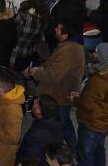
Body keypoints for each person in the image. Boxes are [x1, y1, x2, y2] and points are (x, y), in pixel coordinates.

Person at [27, 21, 84, 149]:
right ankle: (73, 149)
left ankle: (66, 151)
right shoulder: (67, 47)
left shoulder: (69, 50)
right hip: (61, 94)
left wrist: (35, 72)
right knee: (64, 123)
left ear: (65, 35)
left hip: (58, 96)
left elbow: (54, 74)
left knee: (60, 125)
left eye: (58, 29)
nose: (55, 30)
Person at [16, 95, 64, 166]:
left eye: (34, 104)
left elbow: (31, 158)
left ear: (39, 111)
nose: (32, 105)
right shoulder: (56, 124)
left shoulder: (37, 134)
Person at [0, 70, 25, 166]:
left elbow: (13, 137)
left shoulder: (13, 110)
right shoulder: (3, 98)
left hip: (0, 157)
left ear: (1, 89)